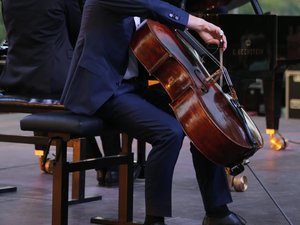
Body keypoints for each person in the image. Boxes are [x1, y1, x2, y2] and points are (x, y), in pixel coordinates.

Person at [60, 1, 246, 225]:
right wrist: (200, 24)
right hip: (104, 90)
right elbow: (150, 6)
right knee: (169, 133)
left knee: (200, 114)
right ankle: (154, 219)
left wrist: (197, 36)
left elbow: (161, 16)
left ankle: (217, 211)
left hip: (132, 87)